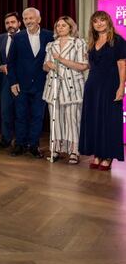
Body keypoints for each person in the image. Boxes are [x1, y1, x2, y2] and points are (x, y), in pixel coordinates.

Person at [79, 10, 126, 171]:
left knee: (109, 120)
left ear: (108, 22)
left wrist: (121, 87)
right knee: (94, 120)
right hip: (92, 85)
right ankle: (97, 154)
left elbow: (122, 65)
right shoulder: (92, 42)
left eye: (102, 20)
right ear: (92, 25)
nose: (99, 24)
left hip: (110, 84)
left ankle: (108, 156)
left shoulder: (118, 40)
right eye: (95, 21)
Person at [7, 7, 54, 158]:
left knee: (37, 116)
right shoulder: (18, 37)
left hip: (41, 84)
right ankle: (20, 144)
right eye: (26, 19)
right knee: (20, 116)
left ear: (38, 19)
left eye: (31, 18)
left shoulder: (49, 36)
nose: (28, 21)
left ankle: (33, 145)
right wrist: (13, 82)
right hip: (21, 85)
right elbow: (11, 62)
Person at [43, 16, 88, 164]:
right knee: (55, 120)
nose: (60, 28)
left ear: (71, 27)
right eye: (58, 26)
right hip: (53, 86)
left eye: (63, 25)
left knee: (72, 119)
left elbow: (83, 65)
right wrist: (49, 64)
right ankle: (55, 149)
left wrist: (61, 60)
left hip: (72, 87)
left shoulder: (78, 43)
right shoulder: (51, 44)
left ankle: (74, 151)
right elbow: (44, 66)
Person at [0, 12, 21, 148]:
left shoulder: (25, 37)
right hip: (5, 81)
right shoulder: (0, 38)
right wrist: (0, 67)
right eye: (7, 23)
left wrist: (12, 67)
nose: (10, 25)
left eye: (12, 22)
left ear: (19, 23)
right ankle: (5, 139)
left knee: (20, 111)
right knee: (5, 111)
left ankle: (20, 141)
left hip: (21, 80)